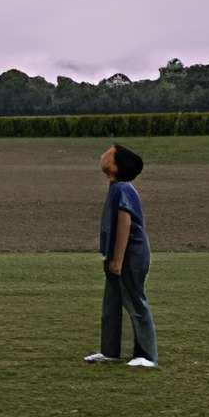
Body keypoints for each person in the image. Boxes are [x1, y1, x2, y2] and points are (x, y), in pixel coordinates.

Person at [85, 143, 157, 368]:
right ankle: (110, 351)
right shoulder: (115, 187)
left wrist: (117, 260)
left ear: (116, 167)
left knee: (135, 301)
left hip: (130, 255)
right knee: (112, 303)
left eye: (109, 154)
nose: (103, 155)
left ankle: (147, 355)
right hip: (117, 254)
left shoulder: (123, 189)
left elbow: (124, 224)